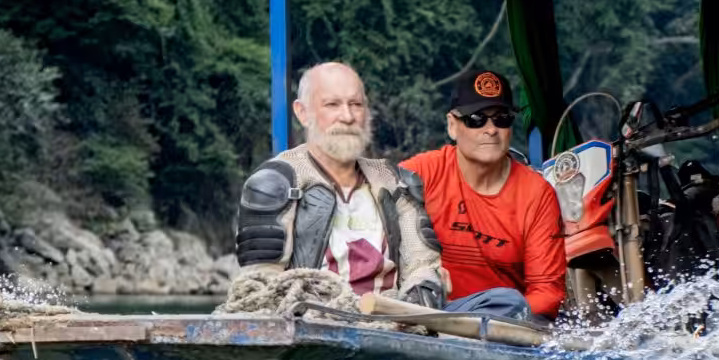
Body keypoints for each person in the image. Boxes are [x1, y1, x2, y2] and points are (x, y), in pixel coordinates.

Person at [233, 62, 445, 305]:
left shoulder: (394, 181)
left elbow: (422, 264)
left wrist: (420, 296)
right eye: (332, 105)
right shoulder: (276, 183)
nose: (347, 116)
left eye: (356, 104)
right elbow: (261, 283)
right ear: (302, 113)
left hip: (390, 322)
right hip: (311, 320)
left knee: (495, 300)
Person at [401, 68, 567, 321]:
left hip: (500, 324)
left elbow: (548, 293)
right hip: (428, 312)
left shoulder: (537, 193)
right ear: (452, 126)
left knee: (509, 301)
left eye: (501, 118)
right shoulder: (422, 172)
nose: (490, 129)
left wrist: (500, 319)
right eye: (476, 118)